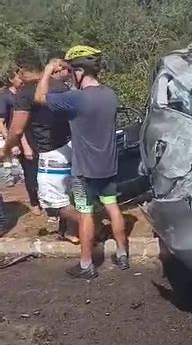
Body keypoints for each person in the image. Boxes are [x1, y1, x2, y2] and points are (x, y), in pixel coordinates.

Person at [35, 46, 129, 279]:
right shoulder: (110, 95)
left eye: (71, 70)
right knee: (113, 207)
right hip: (108, 165)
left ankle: (87, 265)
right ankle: (122, 254)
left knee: (85, 213)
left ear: (79, 72)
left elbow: (39, 98)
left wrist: (47, 71)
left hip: (84, 170)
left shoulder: (76, 98)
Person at [0, 51, 79, 243]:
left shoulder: (25, 93)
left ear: (22, 71)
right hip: (70, 146)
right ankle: (70, 231)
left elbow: (17, 129)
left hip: (49, 150)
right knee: (69, 193)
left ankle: (88, 224)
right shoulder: (60, 85)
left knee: (52, 201)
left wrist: (5, 149)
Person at [0, 68, 41, 214]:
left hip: (33, 135)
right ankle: (34, 202)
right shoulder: (6, 97)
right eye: (18, 77)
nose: (22, 79)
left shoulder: (27, 92)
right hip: (19, 137)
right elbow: (3, 123)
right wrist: (11, 143)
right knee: (29, 171)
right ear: (11, 80)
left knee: (38, 169)